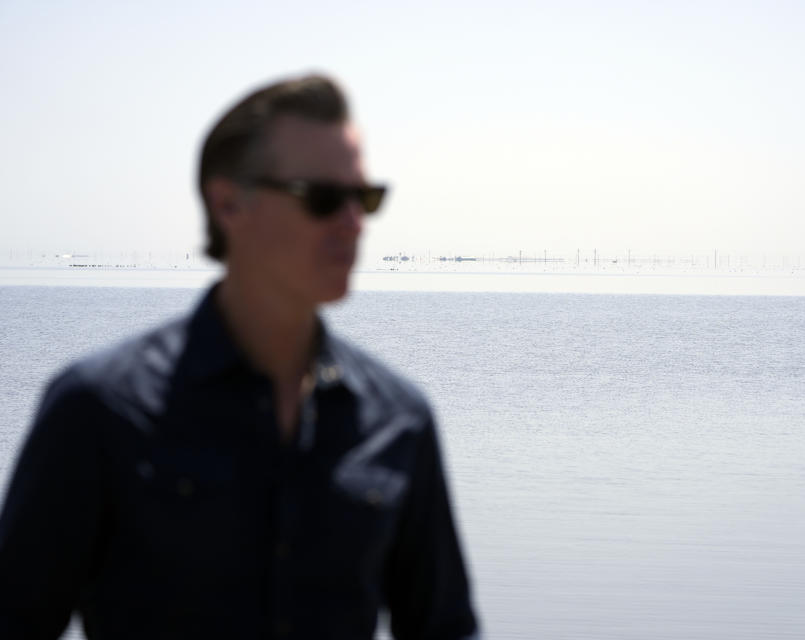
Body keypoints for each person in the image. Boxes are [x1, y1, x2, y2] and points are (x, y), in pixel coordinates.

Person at [0, 74, 479, 640]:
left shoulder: (400, 419)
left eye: (365, 199)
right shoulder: (98, 409)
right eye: (323, 198)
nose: (353, 223)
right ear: (228, 203)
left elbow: (444, 627)